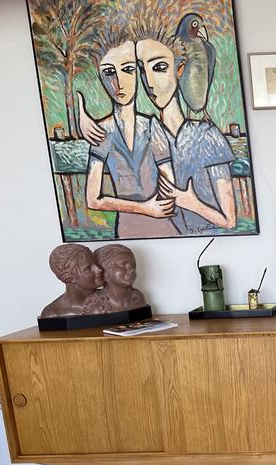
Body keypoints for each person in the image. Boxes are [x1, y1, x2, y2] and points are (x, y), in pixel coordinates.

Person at [133, 20, 237, 234]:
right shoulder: (146, 135)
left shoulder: (207, 136)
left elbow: (229, 221)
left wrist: (189, 201)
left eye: (159, 68)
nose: (149, 82)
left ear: (179, 68)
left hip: (213, 240)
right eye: (142, 70)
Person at [79, 29, 178, 239]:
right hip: (127, 231)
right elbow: (93, 200)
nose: (119, 82)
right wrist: (145, 208)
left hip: (165, 227)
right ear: (100, 77)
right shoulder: (102, 132)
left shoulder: (151, 126)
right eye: (109, 72)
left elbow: (169, 186)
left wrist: (155, 207)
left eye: (128, 69)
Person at [41, 245, 105, 317]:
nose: (99, 270)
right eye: (88, 268)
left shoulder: (111, 301)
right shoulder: (52, 314)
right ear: (68, 277)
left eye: (96, 264)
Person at [93, 244, 147, 312]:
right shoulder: (95, 303)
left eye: (133, 265)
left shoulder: (138, 297)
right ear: (105, 269)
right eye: (123, 265)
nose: (131, 270)